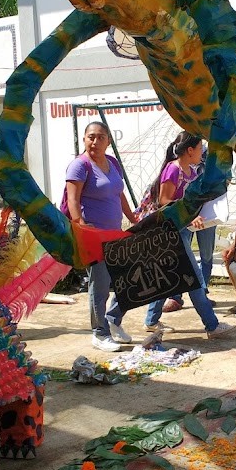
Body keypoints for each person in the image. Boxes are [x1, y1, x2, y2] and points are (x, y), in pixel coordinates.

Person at [142, 132, 233, 339]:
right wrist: (189, 217)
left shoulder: (191, 171)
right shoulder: (172, 169)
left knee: (168, 278)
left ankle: (149, 320)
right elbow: (163, 201)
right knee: (195, 279)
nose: (202, 152)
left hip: (180, 230)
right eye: (200, 148)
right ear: (190, 150)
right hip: (171, 232)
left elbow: (192, 201)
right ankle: (212, 325)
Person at [65, 120, 139, 353]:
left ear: (108, 141)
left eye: (100, 137)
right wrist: (83, 227)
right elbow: (73, 200)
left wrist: (134, 218)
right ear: (85, 139)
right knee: (100, 286)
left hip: (116, 234)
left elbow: (120, 194)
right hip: (94, 236)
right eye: (90, 137)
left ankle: (113, 320)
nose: (94, 141)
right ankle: (99, 333)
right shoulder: (79, 166)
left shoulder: (113, 163)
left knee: (128, 280)